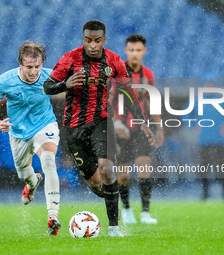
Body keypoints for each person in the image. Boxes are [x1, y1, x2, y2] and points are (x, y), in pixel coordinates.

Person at [44, 20, 155, 237]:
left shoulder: (113, 60)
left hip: (101, 122)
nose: (93, 45)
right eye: (88, 41)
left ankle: (114, 227)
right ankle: (113, 197)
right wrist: (65, 85)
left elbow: (129, 93)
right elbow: (47, 86)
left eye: (97, 41)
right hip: (74, 127)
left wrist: (142, 123)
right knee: (96, 184)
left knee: (107, 168)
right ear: (83, 39)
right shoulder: (70, 59)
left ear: (104, 40)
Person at [0, 41, 61, 236]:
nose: (34, 71)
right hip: (18, 134)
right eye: (29, 67)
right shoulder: (5, 81)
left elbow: (72, 88)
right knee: (24, 174)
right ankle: (32, 182)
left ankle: (53, 216)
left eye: (37, 66)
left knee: (49, 161)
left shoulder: (50, 76)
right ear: (20, 63)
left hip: (45, 125)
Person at [110, 34, 164, 224]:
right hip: (120, 130)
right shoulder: (117, 72)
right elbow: (109, 101)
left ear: (144, 51)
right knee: (123, 175)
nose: (135, 54)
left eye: (138, 50)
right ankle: (126, 209)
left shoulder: (147, 74)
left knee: (144, 168)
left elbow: (150, 101)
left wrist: (159, 128)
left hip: (141, 129)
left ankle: (145, 212)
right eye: (131, 50)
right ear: (126, 51)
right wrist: (116, 123)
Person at [183, 74, 224, 200]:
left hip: (220, 140)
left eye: (211, 85)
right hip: (203, 140)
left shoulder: (221, 99)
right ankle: (205, 194)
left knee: (222, 168)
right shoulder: (197, 100)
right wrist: (193, 125)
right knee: (204, 168)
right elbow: (185, 114)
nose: (209, 88)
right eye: (206, 85)